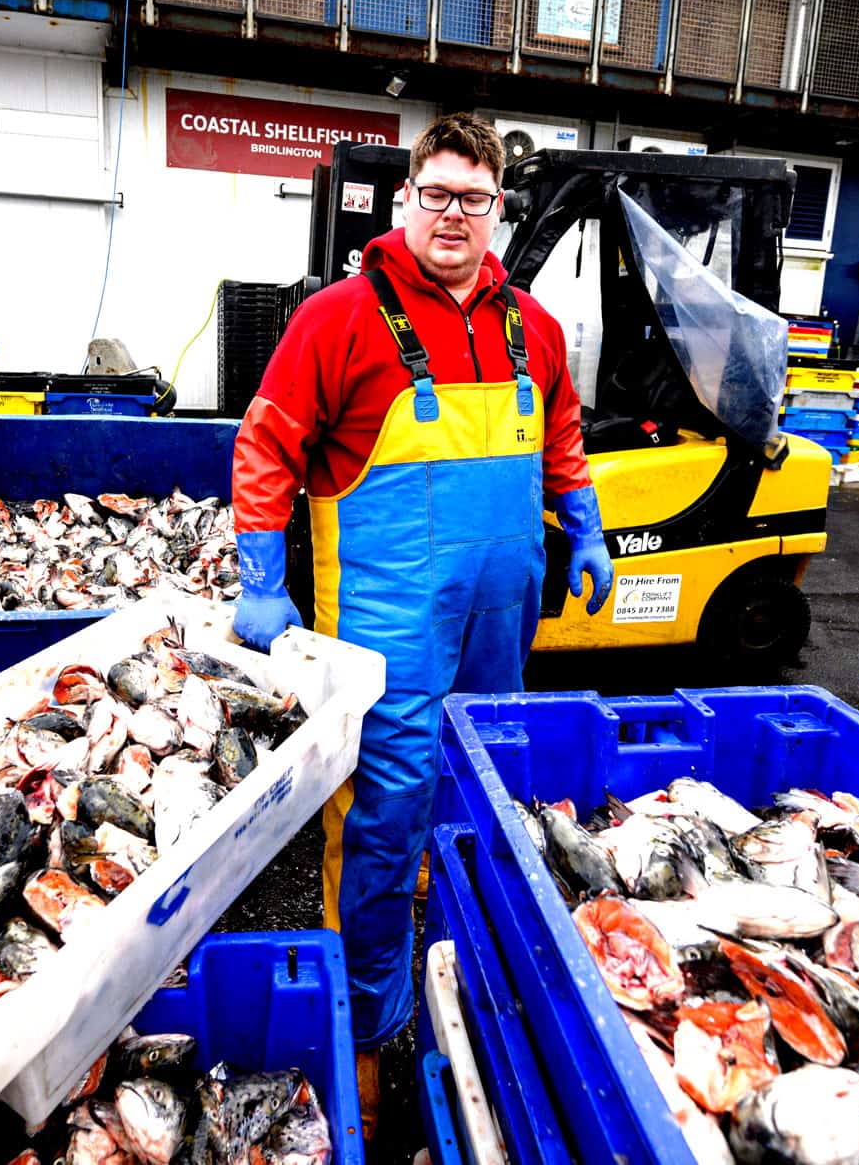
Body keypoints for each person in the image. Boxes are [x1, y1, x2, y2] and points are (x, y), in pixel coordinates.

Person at [228, 112, 613, 1124]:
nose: (453, 214)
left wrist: (583, 523)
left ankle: (465, 971)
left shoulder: (530, 323)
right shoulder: (338, 317)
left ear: (498, 209)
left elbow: (560, 435)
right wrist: (260, 574)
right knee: (381, 822)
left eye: (473, 198)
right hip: (382, 638)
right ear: (404, 201)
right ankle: (366, 1028)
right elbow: (266, 444)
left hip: (500, 630)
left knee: (485, 797)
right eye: (435, 194)